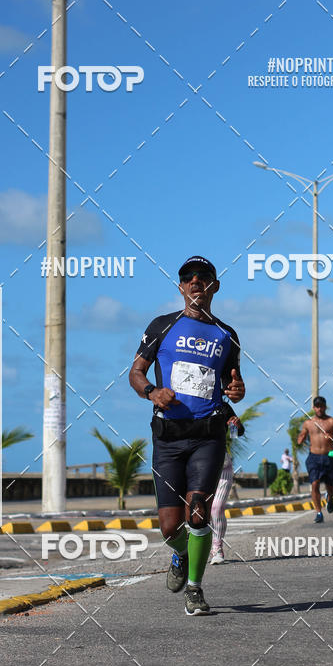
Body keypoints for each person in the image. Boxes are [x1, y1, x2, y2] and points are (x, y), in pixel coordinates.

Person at [129, 256, 245, 615]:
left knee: (198, 512)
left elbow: (233, 382)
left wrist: (237, 389)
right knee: (169, 526)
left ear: (214, 286)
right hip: (168, 437)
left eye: (203, 277)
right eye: (187, 277)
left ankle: (195, 589)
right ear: (180, 287)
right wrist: (151, 391)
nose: (195, 281)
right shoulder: (162, 326)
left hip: (207, 436)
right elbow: (135, 372)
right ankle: (179, 552)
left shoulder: (227, 335)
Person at [297, 396, 333, 523]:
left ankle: (330, 498)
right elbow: (300, 437)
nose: (319, 409)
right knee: (314, 484)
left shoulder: (332, 422)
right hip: (313, 457)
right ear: (314, 408)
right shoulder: (308, 423)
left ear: (325, 407)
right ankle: (319, 512)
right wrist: (301, 438)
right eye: (317, 406)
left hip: (328, 457)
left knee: (331, 487)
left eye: (321, 406)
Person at [209, 413, 243, 565]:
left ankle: (217, 548)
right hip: (196, 466)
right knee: (197, 511)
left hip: (222, 466)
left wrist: (237, 425)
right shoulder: (188, 403)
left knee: (216, 508)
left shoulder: (221, 406)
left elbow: (238, 431)